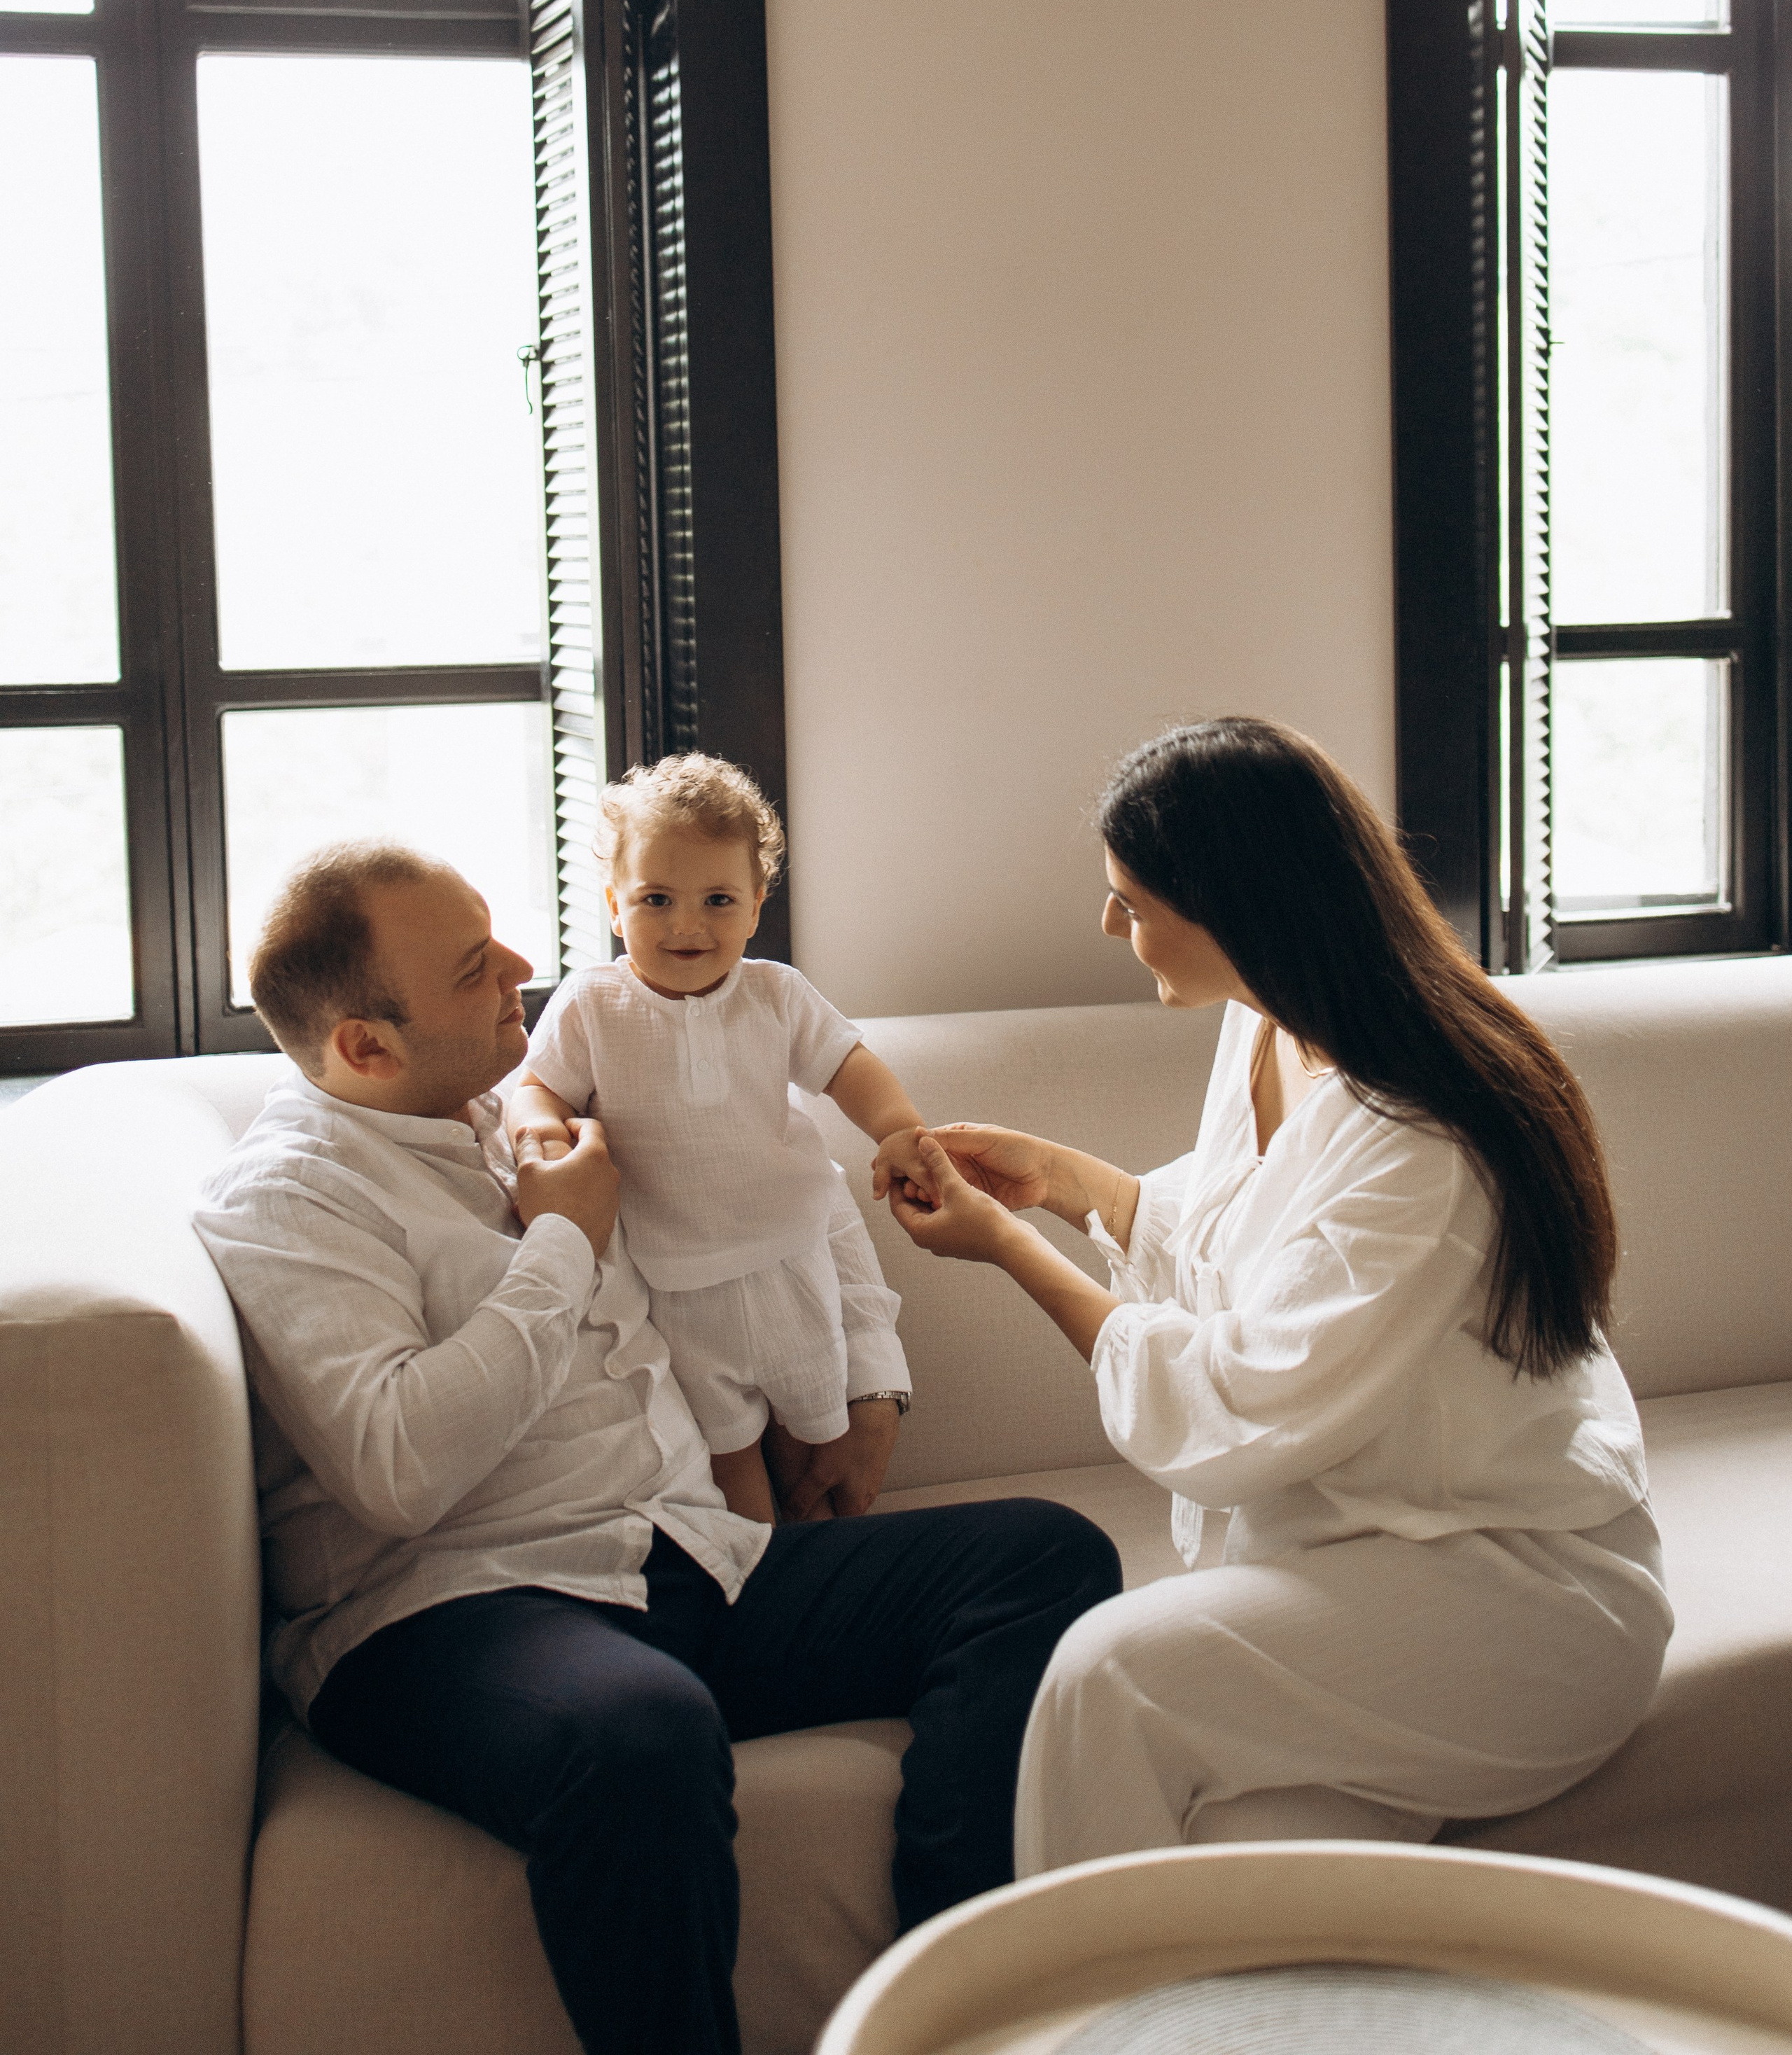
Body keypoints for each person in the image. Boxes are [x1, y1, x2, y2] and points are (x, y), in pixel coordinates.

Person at [192, 842, 1121, 2055]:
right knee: (635, 1733)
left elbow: (778, 1187)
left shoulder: (507, 1115)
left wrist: (865, 1383)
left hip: (681, 1557)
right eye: (477, 968)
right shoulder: (291, 1198)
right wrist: (563, 1247)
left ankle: (938, 2015)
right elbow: (399, 1468)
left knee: (1042, 1558)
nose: (525, 969)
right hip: (452, 1612)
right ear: (365, 1046)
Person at [878, 717, 1672, 1873]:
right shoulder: (1266, 1030)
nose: (1111, 923)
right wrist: (1060, 1183)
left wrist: (1009, 1245)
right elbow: (1241, 1242)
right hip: (1344, 1560)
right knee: (1248, 1858)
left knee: (1111, 1672)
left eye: (1134, 899)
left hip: (1517, 1595)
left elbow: (1244, 1397)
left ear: (1236, 904)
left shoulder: (1422, 1136)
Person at [508, 755, 928, 1524]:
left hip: (791, 1258)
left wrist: (898, 1130)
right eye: (656, 899)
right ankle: (760, 1582)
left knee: (814, 1432)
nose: (686, 925)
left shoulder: (774, 993)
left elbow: (847, 1065)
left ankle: (824, 1565)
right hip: (675, 1278)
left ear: (757, 905)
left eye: (717, 899)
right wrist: (536, 1122)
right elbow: (539, 1084)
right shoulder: (592, 1003)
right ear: (612, 903)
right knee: (728, 1452)